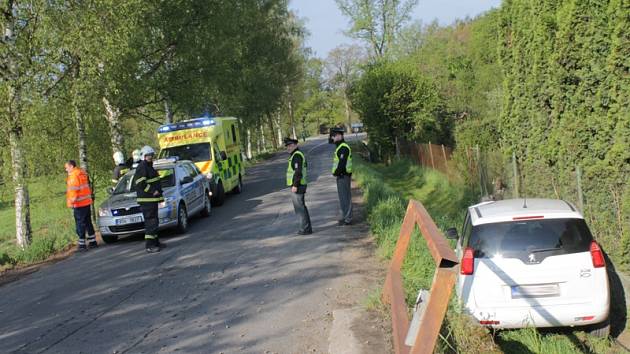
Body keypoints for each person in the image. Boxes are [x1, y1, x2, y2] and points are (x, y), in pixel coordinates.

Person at [134, 145, 164, 253]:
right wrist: (152, 191)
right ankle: (150, 245)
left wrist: (159, 196)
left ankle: (155, 242)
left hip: (152, 200)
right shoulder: (142, 167)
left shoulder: (149, 166)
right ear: (143, 156)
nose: (150, 157)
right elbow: (140, 183)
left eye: (151, 155)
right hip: (147, 200)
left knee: (154, 222)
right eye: (148, 156)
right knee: (151, 222)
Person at [65, 160, 97, 251]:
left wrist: (71, 203)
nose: (66, 170)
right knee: (88, 222)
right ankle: (93, 241)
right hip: (86, 202)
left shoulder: (73, 176)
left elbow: (74, 191)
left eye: (66, 168)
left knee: (80, 224)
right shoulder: (82, 173)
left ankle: (82, 244)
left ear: (71, 166)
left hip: (79, 204)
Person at [285, 137, 312, 235]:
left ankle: (304, 229)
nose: (288, 148)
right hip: (300, 184)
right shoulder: (296, 155)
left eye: (291, 145)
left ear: (296, 145)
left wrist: (295, 185)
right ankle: (307, 228)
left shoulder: (296, 156)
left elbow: (298, 172)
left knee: (300, 209)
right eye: (287, 146)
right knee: (302, 207)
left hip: (298, 185)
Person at [330, 127, 353, 226]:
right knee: (343, 198)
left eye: (334, 136)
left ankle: (348, 218)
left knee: (345, 198)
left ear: (339, 136)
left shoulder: (343, 147)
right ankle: (345, 217)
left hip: (343, 175)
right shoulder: (340, 147)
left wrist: (336, 172)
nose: (332, 138)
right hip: (341, 176)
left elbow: (342, 164)